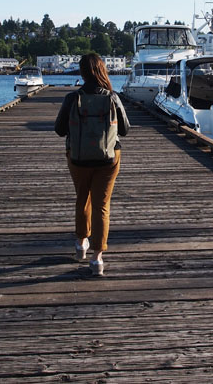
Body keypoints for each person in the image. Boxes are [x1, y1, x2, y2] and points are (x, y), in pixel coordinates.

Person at [54, 53, 129, 276]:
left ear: (82, 73)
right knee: (102, 205)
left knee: (82, 198)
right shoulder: (112, 97)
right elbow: (125, 129)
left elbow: (59, 130)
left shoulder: (72, 98)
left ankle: (80, 244)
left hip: (78, 157)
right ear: (102, 71)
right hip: (108, 158)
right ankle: (97, 258)